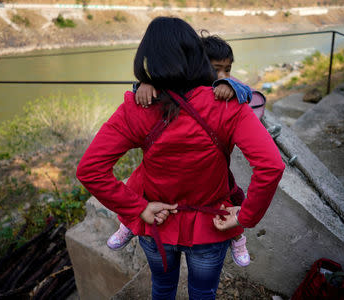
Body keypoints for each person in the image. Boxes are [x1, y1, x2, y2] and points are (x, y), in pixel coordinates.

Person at [76, 16, 284, 300]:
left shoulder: (136, 108)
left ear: (148, 59)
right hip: (211, 226)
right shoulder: (228, 106)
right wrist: (245, 215)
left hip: (155, 223)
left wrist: (138, 208)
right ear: (197, 55)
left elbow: (90, 170)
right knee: (203, 293)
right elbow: (271, 166)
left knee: (162, 288)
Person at [107, 33, 262, 268]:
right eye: (216, 69)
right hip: (166, 169)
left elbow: (247, 93)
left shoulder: (228, 90)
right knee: (141, 184)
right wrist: (145, 84)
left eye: (227, 70)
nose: (222, 75)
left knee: (227, 198)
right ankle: (128, 224)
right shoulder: (177, 86)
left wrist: (230, 86)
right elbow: (161, 85)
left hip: (208, 172)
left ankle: (237, 237)